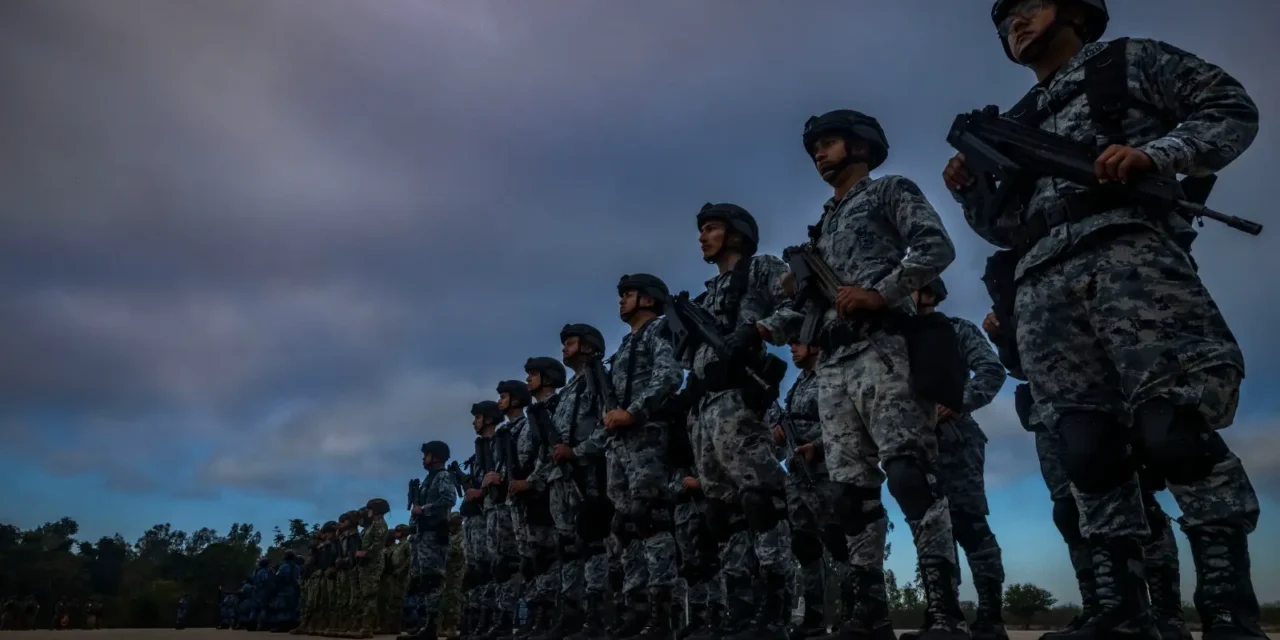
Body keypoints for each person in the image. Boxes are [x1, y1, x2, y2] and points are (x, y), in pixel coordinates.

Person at [945, 2, 1264, 638]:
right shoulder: (1015, 121)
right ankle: (1122, 613)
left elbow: (1231, 109)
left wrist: (1159, 154)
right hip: (1041, 284)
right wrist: (970, 191)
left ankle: (1227, 609)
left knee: (1174, 428)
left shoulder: (1130, 61)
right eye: (1005, 20)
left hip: (1130, 256)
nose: (1016, 24)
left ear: (1074, 11)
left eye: (1029, 7)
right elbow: (1003, 226)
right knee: (1085, 450)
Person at [758, 107, 963, 640]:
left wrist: (882, 291)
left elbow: (936, 247)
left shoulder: (888, 190)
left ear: (862, 145)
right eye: (815, 149)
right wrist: (765, 329)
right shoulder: (821, 227)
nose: (819, 154)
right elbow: (806, 309)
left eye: (828, 143)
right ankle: (869, 612)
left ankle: (944, 613)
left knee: (910, 477)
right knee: (850, 499)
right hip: (833, 365)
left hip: (885, 348)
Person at [680, 202, 795, 640]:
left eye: (711, 228)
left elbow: (798, 304)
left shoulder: (762, 268)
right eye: (702, 229)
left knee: (761, 501)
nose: (702, 236)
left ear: (735, 233)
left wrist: (761, 331)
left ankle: (775, 614)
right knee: (721, 514)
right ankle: (740, 613)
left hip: (740, 402)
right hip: (705, 411)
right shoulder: (706, 294)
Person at [898, 279, 1008, 640]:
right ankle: (942, 616)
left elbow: (992, 371)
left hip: (955, 441)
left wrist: (957, 402)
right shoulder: (897, 340)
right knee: (928, 532)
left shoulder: (956, 330)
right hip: (915, 445)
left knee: (969, 525)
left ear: (929, 294)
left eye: (909, 289)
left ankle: (991, 620)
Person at [598, 273, 684, 639]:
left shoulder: (658, 332)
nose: (621, 300)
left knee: (651, 518)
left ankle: (663, 613)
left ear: (648, 299)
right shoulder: (623, 347)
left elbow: (669, 376)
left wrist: (634, 412)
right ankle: (635, 609)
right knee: (626, 526)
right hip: (619, 444)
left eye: (628, 294)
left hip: (647, 434)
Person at [534, 325, 614, 640]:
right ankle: (571, 616)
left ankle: (597, 619)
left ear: (588, 346)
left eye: (570, 342)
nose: (565, 347)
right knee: (568, 547)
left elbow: (608, 421)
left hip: (590, 472)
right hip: (564, 478)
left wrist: (578, 451)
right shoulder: (568, 392)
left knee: (594, 543)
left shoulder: (600, 379)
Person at [765, 341, 848, 640]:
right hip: (798, 477)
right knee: (805, 547)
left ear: (815, 343)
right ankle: (813, 616)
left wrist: (819, 449)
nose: (792, 349)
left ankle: (851, 615)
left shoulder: (832, 373)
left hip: (827, 472)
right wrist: (780, 435)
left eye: (797, 343)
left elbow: (847, 421)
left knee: (839, 544)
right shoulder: (799, 384)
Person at [401, 441, 460, 640]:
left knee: (433, 580)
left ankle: (432, 627)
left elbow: (449, 499)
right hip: (422, 536)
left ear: (436, 456)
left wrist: (423, 509)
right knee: (421, 582)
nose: (423, 458)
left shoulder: (442, 476)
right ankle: (424, 624)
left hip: (434, 535)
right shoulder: (429, 479)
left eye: (426, 455)